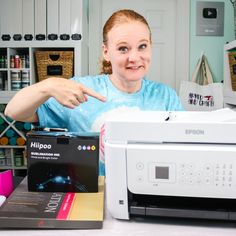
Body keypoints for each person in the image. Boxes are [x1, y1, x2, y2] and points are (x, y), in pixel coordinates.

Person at [5, 9, 183, 176]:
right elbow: (14, 111)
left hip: (147, 199)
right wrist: (48, 86)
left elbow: (182, 150)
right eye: (123, 48)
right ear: (106, 52)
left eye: (142, 46)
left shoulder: (166, 96)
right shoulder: (81, 91)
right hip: (90, 199)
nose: (134, 57)